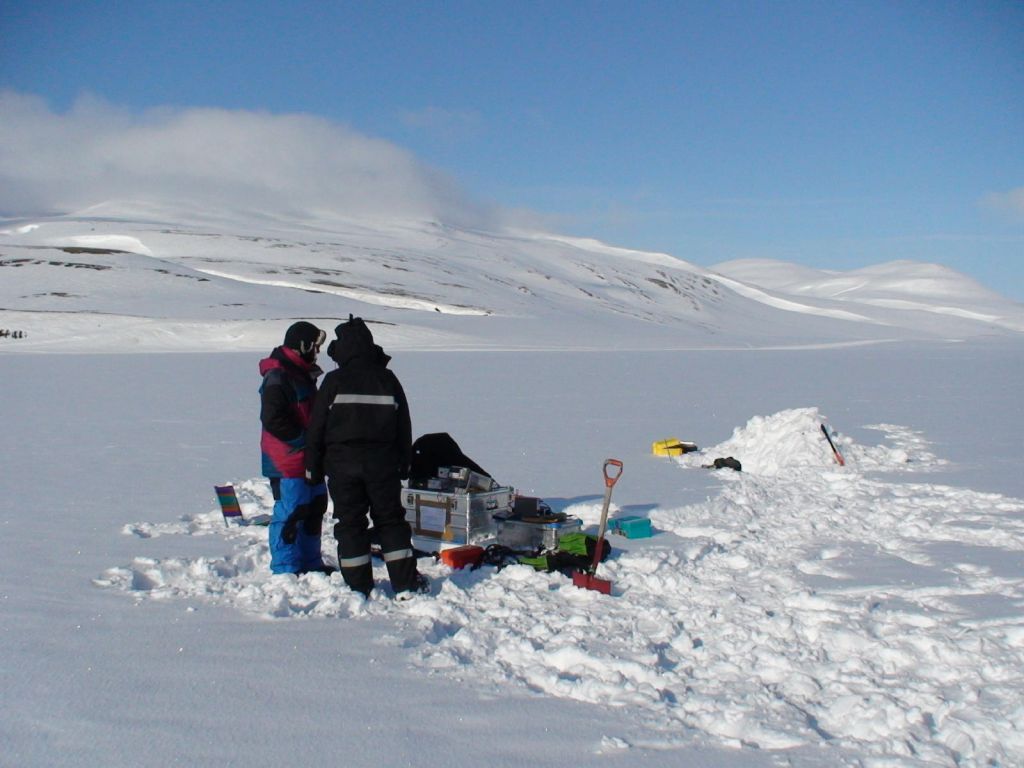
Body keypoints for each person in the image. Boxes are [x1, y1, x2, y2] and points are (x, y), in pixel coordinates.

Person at [305, 315, 428, 599]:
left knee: (350, 523)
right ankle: (405, 584)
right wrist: (405, 461)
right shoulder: (387, 378)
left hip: (342, 465)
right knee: (391, 521)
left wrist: (312, 465)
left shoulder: (333, 381)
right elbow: (403, 423)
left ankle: (358, 586)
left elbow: (317, 427)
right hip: (382, 464)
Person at [259, 321, 331, 575]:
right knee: (292, 512)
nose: (317, 352)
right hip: (287, 460)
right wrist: (306, 440)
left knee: (315, 508)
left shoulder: (302, 374)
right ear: (303, 346)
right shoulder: (278, 376)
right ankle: (286, 567)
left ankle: (311, 563)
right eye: (315, 346)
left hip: (309, 458)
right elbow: (273, 419)